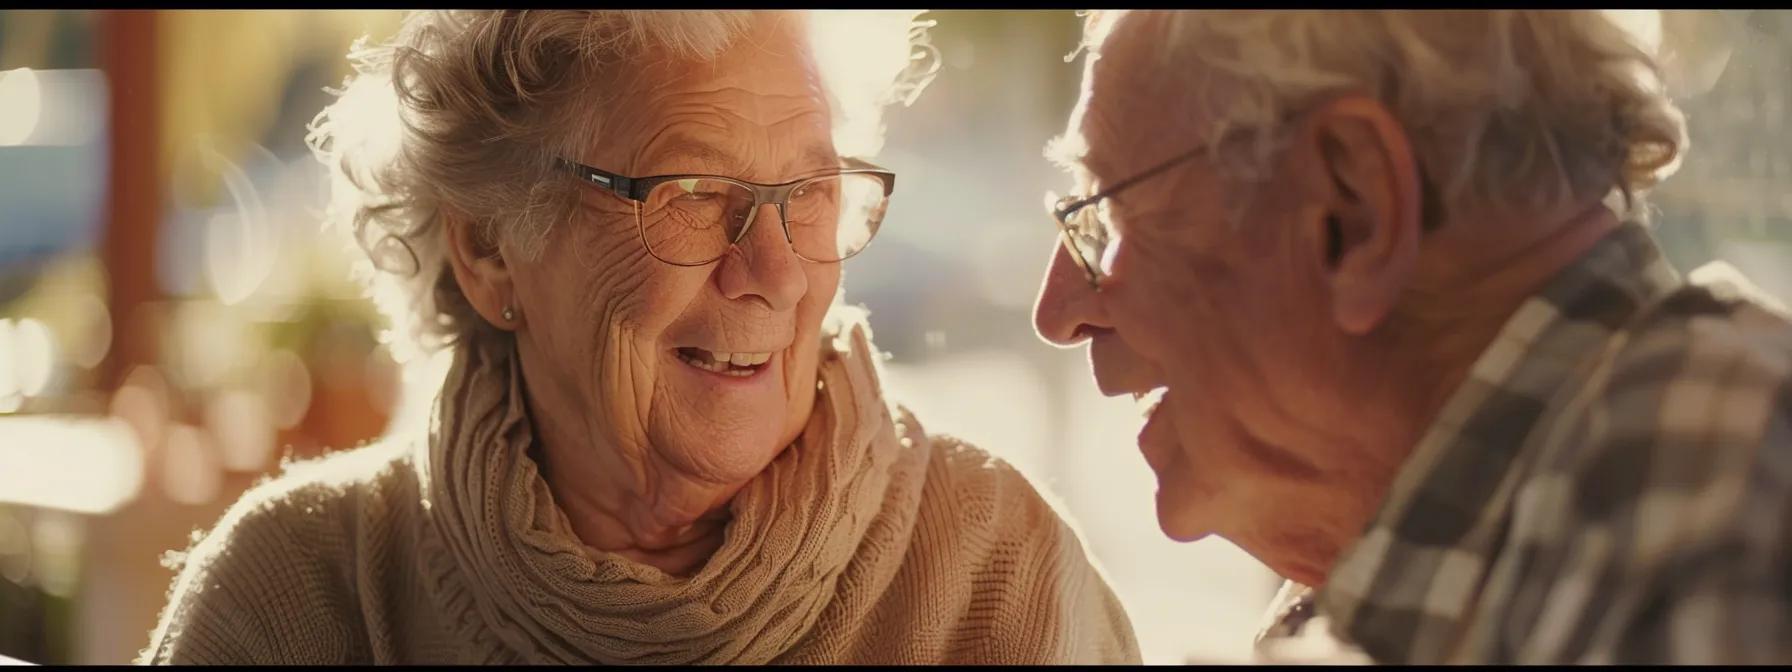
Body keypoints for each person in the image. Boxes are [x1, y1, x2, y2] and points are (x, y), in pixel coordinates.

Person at [139, 10, 1140, 665]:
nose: (778, 271)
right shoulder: (304, 597)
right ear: (489, 247)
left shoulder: (994, 575)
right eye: (694, 195)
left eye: (808, 194)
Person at [1032, 9, 1792, 665]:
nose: (1059, 312)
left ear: (1354, 209)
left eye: (1107, 218)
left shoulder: (1714, 506)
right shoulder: (1402, 587)